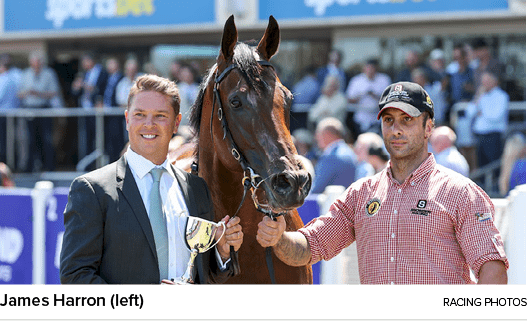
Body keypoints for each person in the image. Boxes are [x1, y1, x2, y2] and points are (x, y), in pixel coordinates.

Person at [257, 81, 508, 285]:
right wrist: (279, 239)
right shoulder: (361, 193)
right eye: (388, 120)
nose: (396, 129)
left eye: (407, 120)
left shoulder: (460, 192)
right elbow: (311, 247)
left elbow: (492, 268)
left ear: (428, 127)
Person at [60, 74, 243, 285]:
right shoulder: (92, 190)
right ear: (127, 119)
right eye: (140, 115)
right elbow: (75, 277)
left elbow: (205, 277)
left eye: (160, 116)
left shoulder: (197, 189)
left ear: (176, 124)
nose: (149, 124)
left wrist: (222, 252)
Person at [18, 51, 61, 172]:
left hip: (44, 109)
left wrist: (38, 93)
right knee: (30, 139)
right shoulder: (25, 74)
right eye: (34, 62)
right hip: (29, 109)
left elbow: (54, 92)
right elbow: (19, 94)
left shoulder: (49, 74)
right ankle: (30, 168)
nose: (36, 65)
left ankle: (49, 167)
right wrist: (27, 93)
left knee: (46, 139)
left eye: (38, 62)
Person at [71, 52, 109, 163]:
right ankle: (88, 165)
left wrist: (87, 87)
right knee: (87, 138)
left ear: (91, 61)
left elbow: (102, 90)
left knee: (100, 138)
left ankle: (101, 163)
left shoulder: (102, 72)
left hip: (98, 111)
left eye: (85, 62)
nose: (83, 64)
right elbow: (75, 93)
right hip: (86, 111)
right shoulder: (84, 74)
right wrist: (76, 87)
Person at [469, 70, 509, 169]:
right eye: (483, 81)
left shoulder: (502, 96)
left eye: (487, 81)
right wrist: (478, 97)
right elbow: (469, 112)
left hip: (493, 136)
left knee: (493, 167)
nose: (483, 84)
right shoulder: (481, 95)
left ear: (494, 81)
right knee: (482, 166)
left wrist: (482, 112)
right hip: (480, 136)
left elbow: (496, 116)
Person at [309, 117, 357, 194]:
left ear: (328, 134)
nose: (316, 137)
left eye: (318, 133)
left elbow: (316, 189)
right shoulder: (350, 152)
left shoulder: (331, 157)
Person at [346, 58, 391, 134]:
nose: (370, 70)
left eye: (372, 68)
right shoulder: (356, 80)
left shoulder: (384, 79)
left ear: (376, 68)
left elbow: (390, 99)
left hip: (379, 119)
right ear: (364, 68)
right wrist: (361, 95)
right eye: (368, 68)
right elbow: (349, 99)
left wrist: (374, 95)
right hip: (360, 118)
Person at [102, 57, 125, 163]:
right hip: (107, 115)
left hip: (117, 115)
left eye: (111, 64)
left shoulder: (122, 78)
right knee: (108, 142)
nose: (109, 67)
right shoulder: (106, 78)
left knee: (118, 141)